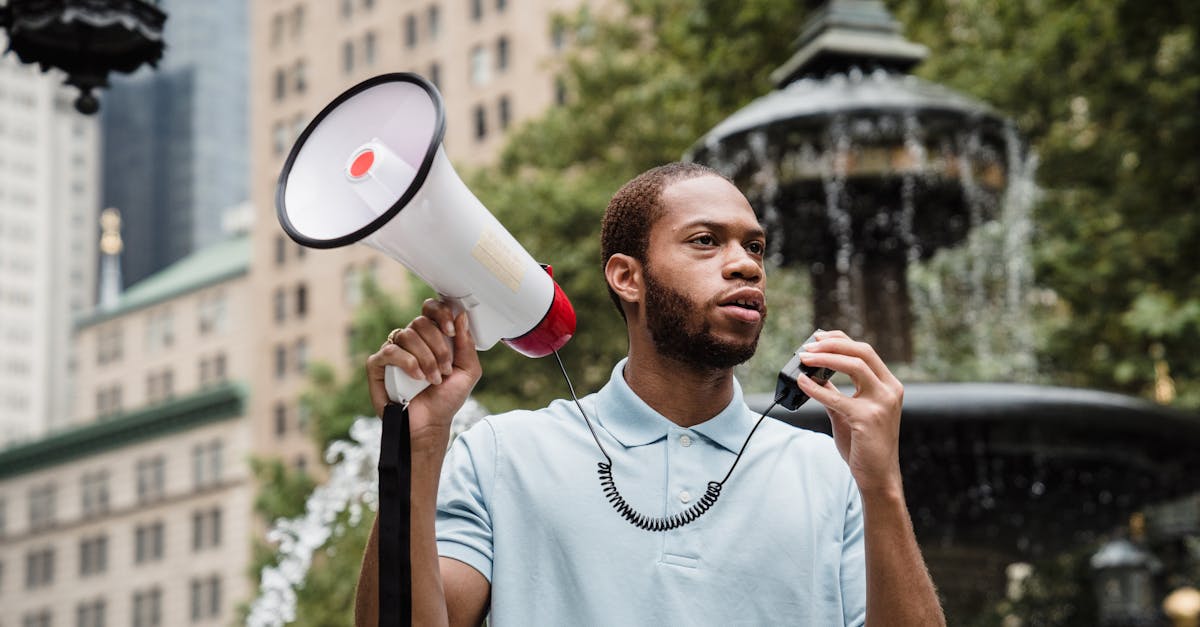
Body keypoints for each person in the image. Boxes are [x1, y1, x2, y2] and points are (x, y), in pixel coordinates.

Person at [355, 162, 945, 626]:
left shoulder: (830, 470)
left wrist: (882, 486)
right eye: (707, 241)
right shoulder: (500, 454)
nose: (745, 265)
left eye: (755, 247)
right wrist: (417, 448)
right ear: (626, 276)